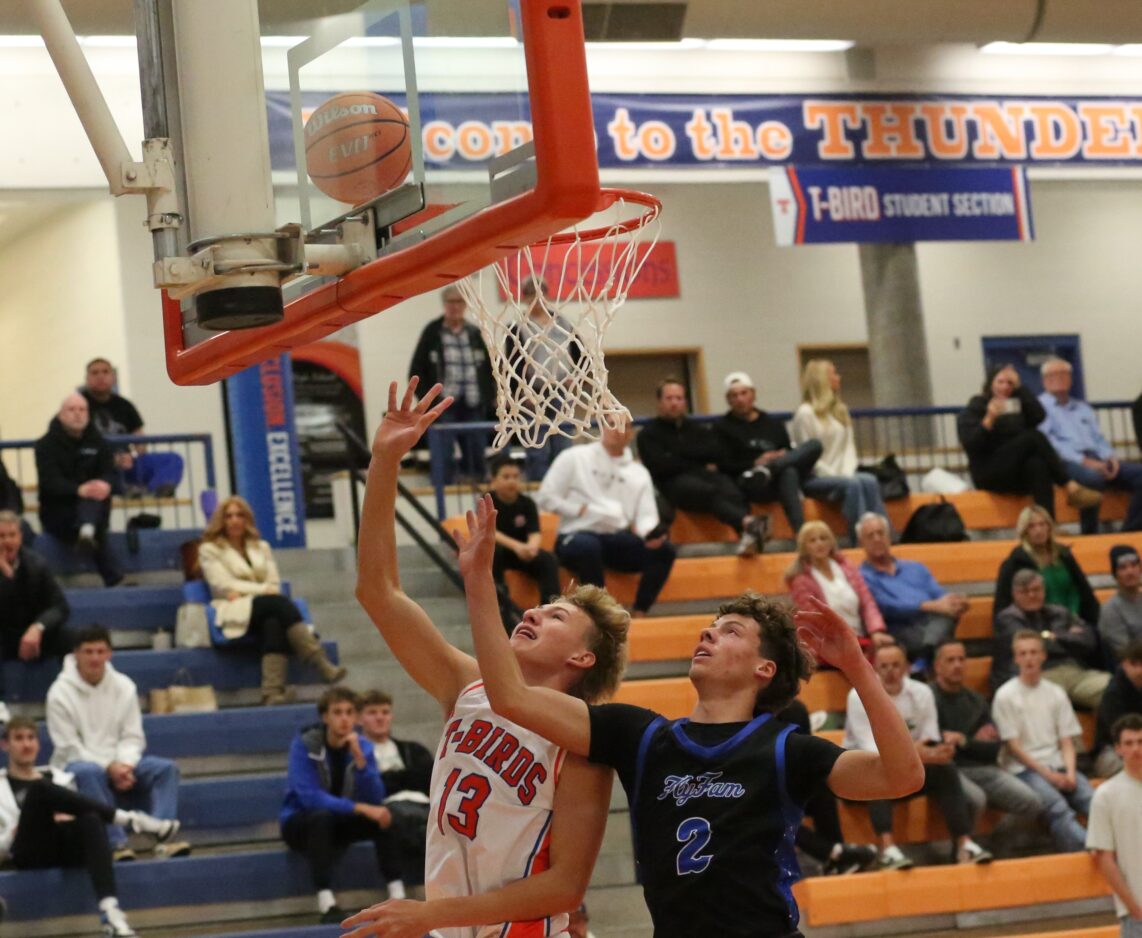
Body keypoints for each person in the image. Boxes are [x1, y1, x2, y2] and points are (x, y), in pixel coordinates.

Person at [451, 494, 925, 937]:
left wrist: (857, 666)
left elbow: (903, 776)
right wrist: (478, 581)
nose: (708, 634)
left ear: (764, 669)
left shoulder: (785, 749)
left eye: (730, 631)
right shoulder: (641, 737)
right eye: (710, 627)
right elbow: (510, 696)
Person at [347, 378, 628, 938]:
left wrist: (431, 914)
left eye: (557, 617)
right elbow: (378, 591)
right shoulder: (467, 685)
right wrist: (384, 463)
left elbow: (565, 888)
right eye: (540, 607)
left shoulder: (583, 741)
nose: (534, 614)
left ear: (583, 657)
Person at [0, 715, 181, 938]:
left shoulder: (61, 778)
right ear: (5, 744)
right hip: (26, 851)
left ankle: (111, 914)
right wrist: (13, 833)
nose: (26, 744)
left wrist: (66, 819)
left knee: (91, 819)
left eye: (31, 738)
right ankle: (131, 820)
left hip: (61, 847)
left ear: (38, 743)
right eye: (19, 738)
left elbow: (77, 814)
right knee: (39, 789)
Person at [45, 626, 190, 862]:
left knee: (166, 769)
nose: (95, 658)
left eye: (100, 651)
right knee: (87, 771)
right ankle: (116, 844)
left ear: (109, 654)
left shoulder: (124, 686)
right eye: (88, 652)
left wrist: (124, 765)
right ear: (76, 654)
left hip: (122, 765)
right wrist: (109, 767)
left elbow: (133, 737)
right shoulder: (59, 693)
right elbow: (69, 748)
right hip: (76, 769)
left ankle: (163, 838)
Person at [844, 642, 992, 869]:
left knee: (944, 768)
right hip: (860, 774)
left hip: (907, 768)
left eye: (896, 665)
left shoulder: (921, 692)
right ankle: (887, 849)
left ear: (906, 667)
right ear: (874, 668)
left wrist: (938, 752)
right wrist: (917, 752)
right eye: (884, 666)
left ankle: (965, 844)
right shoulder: (858, 695)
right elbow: (872, 750)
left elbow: (930, 738)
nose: (890, 671)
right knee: (876, 771)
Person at [198, 495, 346, 704]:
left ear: (247, 519)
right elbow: (222, 585)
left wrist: (255, 590)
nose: (234, 520)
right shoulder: (209, 549)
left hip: (264, 605)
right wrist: (262, 589)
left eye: (239, 515)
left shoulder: (261, 547)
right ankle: (319, 661)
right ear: (221, 521)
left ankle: (271, 693)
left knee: (273, 623)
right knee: (278, 602)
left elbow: (274, 581)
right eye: (229, 516)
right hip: (234, 608)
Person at [281, 687, 397, 924]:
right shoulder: (305, 745)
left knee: (386, 815)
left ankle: (398, 894)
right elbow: (309, 797)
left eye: (349, 712)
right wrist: (360, 808)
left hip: (338, 822)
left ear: (356, 717)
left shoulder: (362, 746)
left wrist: (361, 762)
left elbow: (375, 798)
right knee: (321, 817)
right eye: (337, 712)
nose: (344, 719)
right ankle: (326, 902)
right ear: (325, 717)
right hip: (301, 823)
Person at [538, 420, 676, 617]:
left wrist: (650, 535)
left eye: (624, 425)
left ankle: (640, 611)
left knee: (664, 550)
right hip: (575, 535)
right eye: (612, 423)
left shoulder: (639, 473)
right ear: (602, 427)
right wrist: (578, 510)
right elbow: (546, 497)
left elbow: (646, 516)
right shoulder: (574, 457)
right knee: (589, 546)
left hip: (615, 538)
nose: (618, 429)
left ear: (631, 433)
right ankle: (599, 614)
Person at [638, 378, 769, 557]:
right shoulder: (648, 434)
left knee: (730, 486)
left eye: (679, 398)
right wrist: (694, 457)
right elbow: (661, 465)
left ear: (685, 401)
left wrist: (677, 454)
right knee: (707, 490)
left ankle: (747, 537)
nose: (674, 403)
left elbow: (715, 452)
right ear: (659, 402)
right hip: (670, 484)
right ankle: (748, 523)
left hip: (701, 475)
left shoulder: (696, 428)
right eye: (669, 398)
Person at [992, 630, 1095, 853]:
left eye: (1033, 652)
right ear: (1016, 658)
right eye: (1023, 653)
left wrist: (1070, 773)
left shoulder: (1056, 693)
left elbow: (1066, 741)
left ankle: (1124, 848)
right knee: (1058, 808)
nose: (1029, 658)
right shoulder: (1005, 695)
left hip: (1058, 764)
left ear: (1043, 655)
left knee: (1093, 800)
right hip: (1024, 769)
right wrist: (1048, 775)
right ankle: (1092, 854)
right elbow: (1014, 747)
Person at [929, 640, 1042, 842]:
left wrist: (963, 740)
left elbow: (993, 749)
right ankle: (961, 850)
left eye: (961, 659)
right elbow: (936, 744)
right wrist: (972, 741)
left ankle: (994, 846)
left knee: (1031, 802)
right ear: (938, 666)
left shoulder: (976, 700)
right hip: (949, 771)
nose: (957, 665)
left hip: (983, 768)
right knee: (976, 799)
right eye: (951, 660)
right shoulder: (927, 697)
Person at [957, 364, 1100, 518]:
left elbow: (1039, 416)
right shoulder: (977, 406)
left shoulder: (1016, 404)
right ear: (990, 383)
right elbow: (972, 444)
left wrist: (1020, 388)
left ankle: (1048, 523)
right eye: (1000, 382)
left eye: (1010, 383)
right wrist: (989, 418)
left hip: (1014, 471)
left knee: (1037, 464)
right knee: (1033, 436)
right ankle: (1069, 485)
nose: (1005, 386)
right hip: (988, 472)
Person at [1039, 357, 1142, 535]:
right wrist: (1086, 462)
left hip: (1097, 458)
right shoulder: (1039, 408)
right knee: (1092, 478)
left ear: (1071, 378)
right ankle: (1089, 533)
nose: (1060, 378)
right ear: (1044, 380)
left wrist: (1111, 458)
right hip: (1065, 462)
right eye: (1054, 374)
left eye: (1064, 374)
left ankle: (1130, 530)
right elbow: (1049, 443)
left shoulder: (1082, 407)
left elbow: (1099, 438)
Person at [789, 360, 888, 545]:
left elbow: (849, 448)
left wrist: (847, 472)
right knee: (854, 484)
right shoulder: (805, 413)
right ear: (821, 380)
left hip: (842, 474)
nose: (838, 378)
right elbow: (806, 455)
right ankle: (861, 540)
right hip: (815, 478)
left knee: (869, 481)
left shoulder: (840, 411)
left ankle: (885, 538)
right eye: (833, 374)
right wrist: (835, 475)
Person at [715, 371, 822, 533]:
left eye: (744, 393)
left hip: (777, 475)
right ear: (728, 400)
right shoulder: (721, 427)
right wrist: (755, 463)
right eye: (734, 396)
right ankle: (801, 532)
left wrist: (778, 457)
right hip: (750, 481)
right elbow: (724, 465)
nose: (740, 399)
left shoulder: (772, 423)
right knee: (789, 472)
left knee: (814, 445)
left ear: (753, 394)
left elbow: (787, 449)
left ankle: (770, 467)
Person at [781, 698, 878, 876]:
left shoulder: (795, 709)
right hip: (755, 789)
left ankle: (836, 858)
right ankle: (834, 853)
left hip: (787, 780)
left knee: (821, 788)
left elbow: (804, 755)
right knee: (773, 812)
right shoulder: (749, 713)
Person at [34, 393, 122, 586]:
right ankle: (113, 576)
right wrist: (78, 490)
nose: (77, 414)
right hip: (60, 514)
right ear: (61, 415)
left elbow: (111, 473)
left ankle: (87, 529)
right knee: (91, 503)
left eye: (82, 410)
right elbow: (50, 482)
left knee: (94, 496)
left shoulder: (100, 443)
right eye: (72, 409)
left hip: (95, 510)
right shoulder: (45, 445)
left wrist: (105, 484)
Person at [407, 286, 495, 483]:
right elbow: (417, 368)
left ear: (465, 305)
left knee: (476, 452)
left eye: (459, 302)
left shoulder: (474, 333)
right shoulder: (433, 332)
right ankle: (444, 487)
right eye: (451, 302)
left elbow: (489, 368)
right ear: (444, 304)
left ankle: (478, 488)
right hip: (443, 404)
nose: (455, 306)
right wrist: (428, 401)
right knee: (443, 454)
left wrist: (490, 396)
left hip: (473, 402)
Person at [857, 512, 968, 665]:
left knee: (946, 616)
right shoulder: (862, 576)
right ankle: (928, 657)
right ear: (861, 542)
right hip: (898, 629)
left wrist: (955, 601)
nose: (877, 539)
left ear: (889, 536)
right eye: (870, 535)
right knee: (941, 632)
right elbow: (887, 606)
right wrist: (930, 606)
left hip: (931, 623)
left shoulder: (915, 568)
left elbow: (939, 594)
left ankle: (924, 657)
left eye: (880, 533)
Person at [992, 569, 1109, 709]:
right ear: (1014, 594)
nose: (1032, 595)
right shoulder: (1007, 618)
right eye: (1025, 591)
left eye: (1036, 589)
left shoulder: (1060, 612)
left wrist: (1054, 636)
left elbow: (1089, 641)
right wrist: (1065, 637)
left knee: (1114, 689)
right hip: (1039, 674)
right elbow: (1032, 646)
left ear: (1044, 590)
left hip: (1073, 671)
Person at [503, 277, 582, 481]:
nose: (536, 299)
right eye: (531, 294)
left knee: (563, 444)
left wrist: (575, 377)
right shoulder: (517, 326)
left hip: (561, 390)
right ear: (524, 298)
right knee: (537, 447)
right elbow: (512, 363)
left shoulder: (563, 323)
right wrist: (521, 391)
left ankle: (565, 485)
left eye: (540, 293)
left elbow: (580, 353)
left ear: (547, 295)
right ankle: (539, 486)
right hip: (533, 392)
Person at [359, 689, 432, 900]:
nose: (380, 718)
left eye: (385, 712)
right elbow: (372, 790)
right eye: (372, 713)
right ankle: (397, 890)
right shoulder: (356, 754)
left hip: (423, 806)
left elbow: (428, 779)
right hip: (386, 809)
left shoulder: (413, 749)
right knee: (387, 819)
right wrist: (403, 778)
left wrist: (390, 778)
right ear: (360, 718)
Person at [81, 357, 184, 497]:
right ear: (87, 379)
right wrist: (110, 460)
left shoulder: (125, 405)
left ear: (113, 377)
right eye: (95, 372)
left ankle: (157, 490)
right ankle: (127, 489)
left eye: (105, 372)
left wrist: (131, 456)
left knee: (173, 459)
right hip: (95, 467)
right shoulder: (78, 405)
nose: (100, 376)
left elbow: (140, 441)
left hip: (126, 465)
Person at [785, 521, 892, 653]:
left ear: (831, 542)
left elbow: (867, 602)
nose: (819, 543)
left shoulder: (847, 567)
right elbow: (813, 619)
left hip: (859, 637)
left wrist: (876, 630)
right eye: (812, 540)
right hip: (827, 644)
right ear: (804, 547)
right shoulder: (801, 580)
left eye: (823, 538)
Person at [994, 504, 1101, 630]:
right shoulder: (1015, 562)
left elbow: (1083, 591)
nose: (1038, 530)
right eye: (1032, 526)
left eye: (1042, 524)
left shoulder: (1064, 555)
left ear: (1049, 527)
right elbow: (1003, 604)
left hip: (1074, 620)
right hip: (1036, 625)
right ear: (1024, 531)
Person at [0, 510, 71, 684]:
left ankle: (70, 691)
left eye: (12, 535)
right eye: (1, 536)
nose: (7, 541)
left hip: (31, 635)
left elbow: (60, 607)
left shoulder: (37, 564)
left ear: (20, 537)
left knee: (72, 639)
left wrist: (38, 628)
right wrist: (6, 578)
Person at [1087, 713, 1142, 937]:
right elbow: (1104, 858)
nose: (1136, 749)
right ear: (1118, 749)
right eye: (1129, 743)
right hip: (1137, 915)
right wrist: (1134, 909)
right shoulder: (1106, 795)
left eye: (1141, 741)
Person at [486, 453, 561, 612]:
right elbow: (491, 532)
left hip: (522, 553)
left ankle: (550, 608)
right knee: (494, 553)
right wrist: (517, 546)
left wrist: (531, 548)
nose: (512, 481)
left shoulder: (527, 503)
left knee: (547, 559)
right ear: (493, 480)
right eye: (506, 477)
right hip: (501, 552)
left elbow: (535, 532)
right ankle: (500, 606)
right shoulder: (487, 502)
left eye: (516, 477)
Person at [1094, 641, 1142, 778]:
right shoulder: (1114, 693)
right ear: (1124, 664)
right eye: (1134, 664)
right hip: (1112, 750)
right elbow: (1119, 733)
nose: (1139, 670)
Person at [1101, 545, 1142, 660]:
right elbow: (1125, 652)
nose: (1130, 572)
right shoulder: (1110, 610)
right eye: (1123, 568)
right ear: (1115, 574)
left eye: (1134, 565)